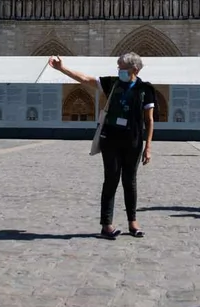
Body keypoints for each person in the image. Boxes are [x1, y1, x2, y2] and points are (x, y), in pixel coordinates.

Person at [49, 53, 155, 239]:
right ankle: (106, 225)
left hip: (133, 140)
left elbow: (150, 120)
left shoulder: (145, 89)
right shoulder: (113, 83)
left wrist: (148, 147)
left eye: (122, 68)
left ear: (135, 70)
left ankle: (133, 222)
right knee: (111, 180)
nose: (119, 71)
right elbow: (85, 79)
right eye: (118, 67)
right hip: (111, 139)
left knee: (130, 181)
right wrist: (61, 68)